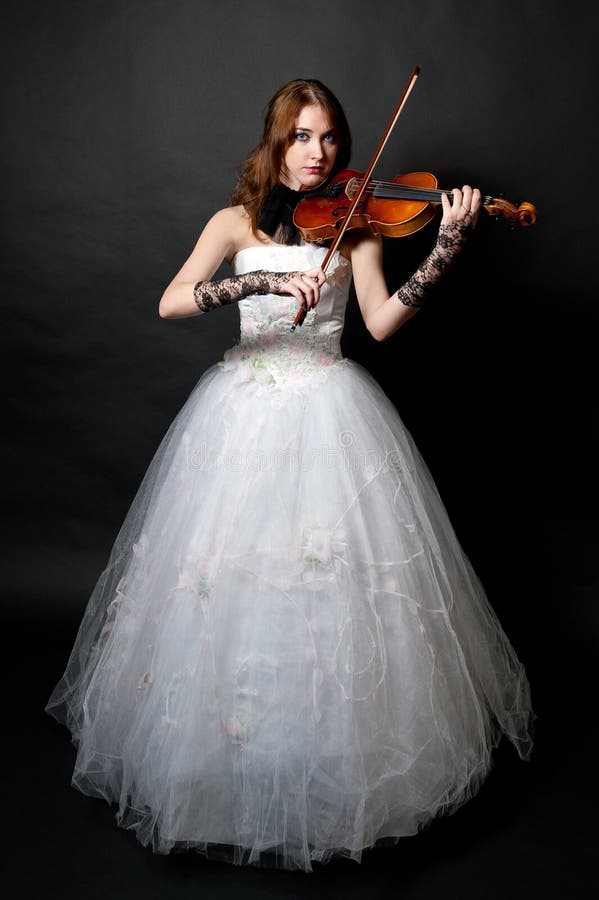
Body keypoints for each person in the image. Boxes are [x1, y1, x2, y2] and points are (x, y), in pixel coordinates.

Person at [46, 78, 533, 873]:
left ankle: (328, 757)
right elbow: (172, 301)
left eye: (331, 137)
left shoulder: (359, 228)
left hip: (331, 412)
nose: (318, 153)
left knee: (329, 591)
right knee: (229, 587)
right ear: (275, 144)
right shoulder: (233, 223)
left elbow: (377, 322)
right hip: (240, 415)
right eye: (301, 137)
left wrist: (444, 244)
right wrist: (261, 279)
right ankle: (228, 757)